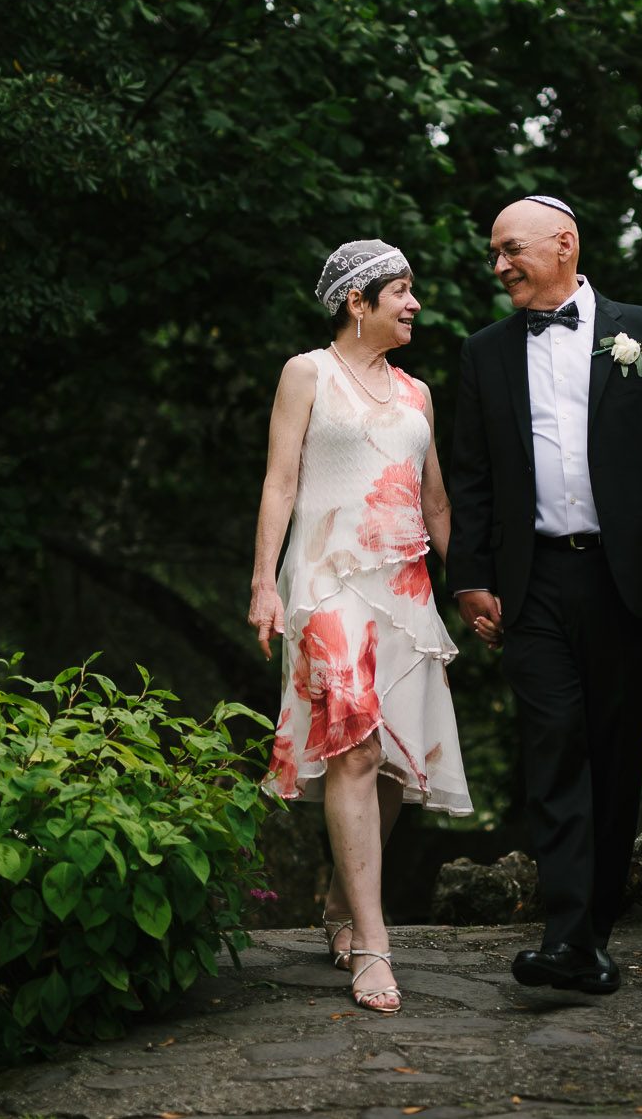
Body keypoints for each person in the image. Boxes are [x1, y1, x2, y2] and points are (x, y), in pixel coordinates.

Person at [446, 195, 642, 995]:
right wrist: (470, 576)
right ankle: (565, 937)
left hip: (624, 578)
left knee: (615, 750)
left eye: (510, 249)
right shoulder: (483, 353)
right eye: (494, 252)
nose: (498, 265)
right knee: (553, 744)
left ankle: (594, 933)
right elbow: (473, 477)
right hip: (534, 583)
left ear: (564, 244)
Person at [249, 239, 472, 1015]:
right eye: (403, 291)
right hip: (324, 579)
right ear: (358, 300)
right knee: (356, 745)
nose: (415, 304)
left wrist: (472, 589)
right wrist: (262, 583)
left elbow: (436, 503)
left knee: (386, 767)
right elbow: (279, 481)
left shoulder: (419, 395)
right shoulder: (307, 372)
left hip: (403, 587)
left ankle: (343, 905)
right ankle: (374, 946)